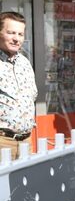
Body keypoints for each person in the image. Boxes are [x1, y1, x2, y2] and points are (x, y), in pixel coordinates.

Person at [0, 11, 37, 159]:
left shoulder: (25, 63)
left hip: (26, 142)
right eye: (11, 33)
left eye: (20, 34)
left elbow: (32, 96)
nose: (16, 39)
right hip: (2, 142)